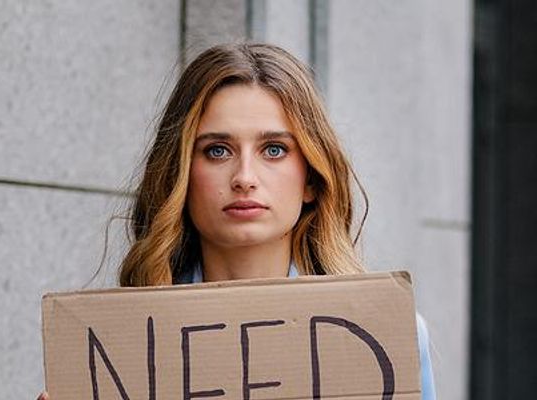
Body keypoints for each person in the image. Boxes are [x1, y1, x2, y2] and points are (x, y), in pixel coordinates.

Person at [40, 42, 435, 400]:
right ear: (179, 172)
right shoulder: (116, 349)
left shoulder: (386, 334)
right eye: (217, 150)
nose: (245, 176)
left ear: (311, 178)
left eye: (274, 149)